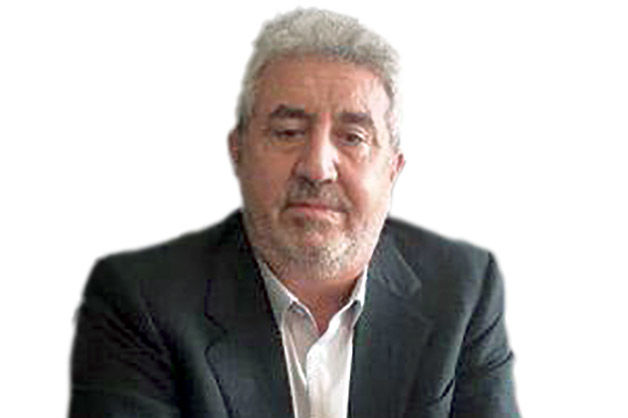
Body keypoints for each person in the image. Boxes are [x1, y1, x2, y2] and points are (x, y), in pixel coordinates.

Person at [69, 8, 520, 418]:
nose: (317, 167)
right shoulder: (141, 301)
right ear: (238, 152)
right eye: (288, 132)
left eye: (353, 137)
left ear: (392, 170)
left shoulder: (462, 290)